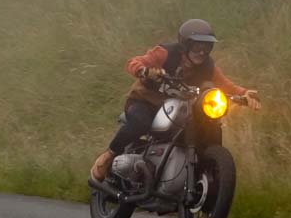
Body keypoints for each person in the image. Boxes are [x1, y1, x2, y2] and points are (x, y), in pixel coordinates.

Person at [89, 19, 261, 182]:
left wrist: (245, 94)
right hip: (145, 102)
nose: (202, 52)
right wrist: (143, 70)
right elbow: (134, 62)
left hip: (178, 107)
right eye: (197, 46)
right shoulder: (165, 53)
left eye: (207, 47)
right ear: (185, 45)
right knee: (141, 122)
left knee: (211, 126)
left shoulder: (208, 66)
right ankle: (107, 156)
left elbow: (224, 84)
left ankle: (209, 179)